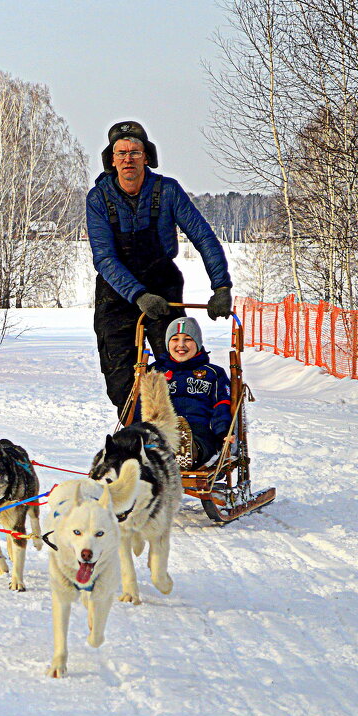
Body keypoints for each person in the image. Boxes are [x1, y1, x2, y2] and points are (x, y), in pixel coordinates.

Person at [87, 120, 234, 420]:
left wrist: (221, 286)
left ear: (147, 156)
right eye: (121, 152)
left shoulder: (167, 191)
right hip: (116, 294)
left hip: (162, 285)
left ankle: (184, 433)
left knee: (178, 364)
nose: (128, 158)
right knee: (120, 379)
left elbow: (203, 236)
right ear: (111, 159)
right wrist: (138, 295)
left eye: (135, 152)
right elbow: (104, 258)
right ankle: (136, 433)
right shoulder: (99, 199)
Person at [150, 317, 232, 469]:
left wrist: (223, 432)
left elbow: (221, 405)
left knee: (195, 439)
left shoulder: (213, 373)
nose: (181, 345)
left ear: (198, 343)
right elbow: (143, 404)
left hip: (198, 429)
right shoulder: (155, 372)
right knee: (148, 436)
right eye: (175, 339)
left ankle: (186, 452)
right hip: (161, 428)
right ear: (168, 343)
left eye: (188, 339)